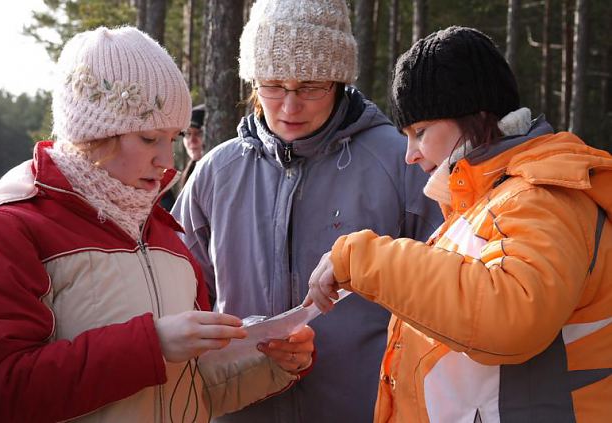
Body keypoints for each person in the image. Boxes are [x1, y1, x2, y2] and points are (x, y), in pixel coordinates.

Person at [0, 26, 315, 423]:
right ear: (95, 134)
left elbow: (186, 388)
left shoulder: (163, 234)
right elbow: (0, 389)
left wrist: (272, 361)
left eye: (173, 138)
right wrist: (151, 345)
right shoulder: (9, 226)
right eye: (151, 138)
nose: (167, 160)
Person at [305, 26, 612, 422]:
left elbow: (511, 314)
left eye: (420, 133)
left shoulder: (541, 197)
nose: (410, 155)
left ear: (476, 116)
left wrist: (365, 259)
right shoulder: (490, 201)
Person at [171, 1, 442, 422]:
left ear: (338, 80)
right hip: (240, 409)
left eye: (310, 86)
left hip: (366, 407)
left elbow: (447, 287)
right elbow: (177, 299)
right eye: (273, 85)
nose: (289, 106)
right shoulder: (215, 173)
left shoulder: (399, 162)